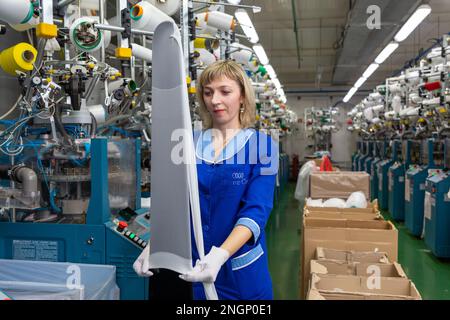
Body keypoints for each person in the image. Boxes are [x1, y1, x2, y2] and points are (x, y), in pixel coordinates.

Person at [133, 60, 279, 300]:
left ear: (242, 96)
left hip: (238, 273)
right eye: (208, 92)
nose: (215, 100)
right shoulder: (186, 142)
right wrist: (156, 247)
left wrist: (220, 255)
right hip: (190, 271)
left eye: (225, 91)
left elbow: (256, 212)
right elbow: (175, 204)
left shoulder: (263, 146)